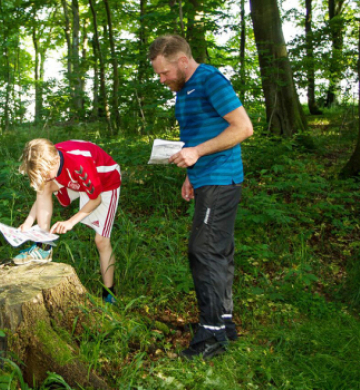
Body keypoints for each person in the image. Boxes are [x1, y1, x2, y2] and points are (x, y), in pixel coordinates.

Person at [148, 35, 254, 360]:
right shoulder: (182, 93)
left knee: (203, 251)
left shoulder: (210, 80)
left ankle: (210, 339)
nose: (162, 79)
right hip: (205, 180)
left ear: (182, 61)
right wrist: (189, 175)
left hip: (222, 178)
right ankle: (223, 325)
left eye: (164, 72)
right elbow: (196, 138)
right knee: (217, 252)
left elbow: (243, 128)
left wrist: (196, 153)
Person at [16, 138, 121, 304]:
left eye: (46, 173)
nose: (45, 177)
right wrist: (29, 222)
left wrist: (70, 222)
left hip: (105, 182)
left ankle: (109, 292)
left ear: (56, 160)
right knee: (45, 186)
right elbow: (44, 185)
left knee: (101, 241)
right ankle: (44, 244)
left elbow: (95, 200)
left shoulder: (79, 163)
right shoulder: (49, 159)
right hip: (76, 179)